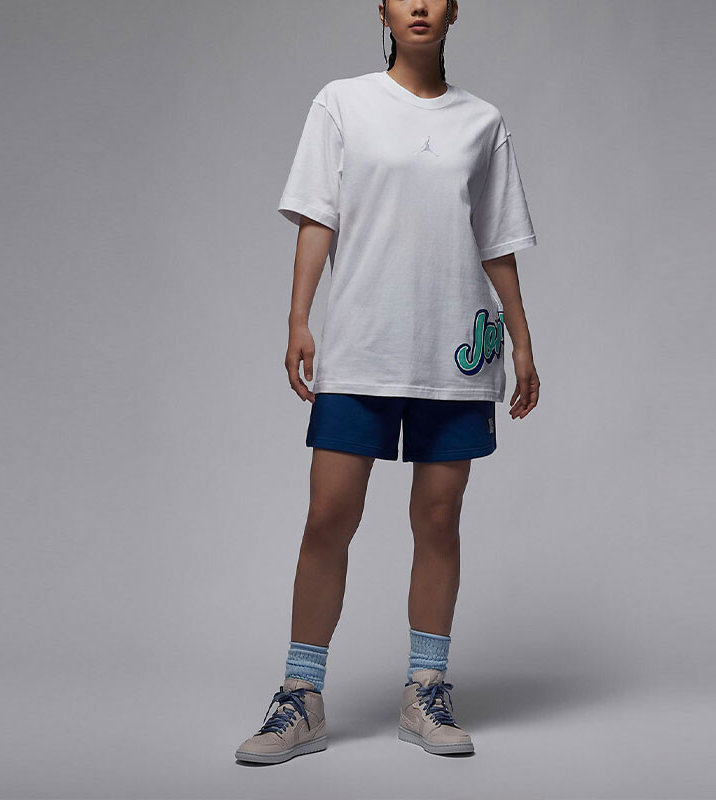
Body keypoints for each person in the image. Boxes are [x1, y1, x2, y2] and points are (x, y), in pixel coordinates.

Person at [235, 0, 540, 764]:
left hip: (456, 349)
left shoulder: (483, 122)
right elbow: (319, 217)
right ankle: (302, 698)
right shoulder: (342, 103)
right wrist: (299, 318)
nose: (420, 5)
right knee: (328, 515)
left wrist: (524, 340)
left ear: (454, 10)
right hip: (365, 345)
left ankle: (425, 691)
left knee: (438, 519)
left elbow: (497, 240)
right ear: (383, 7)